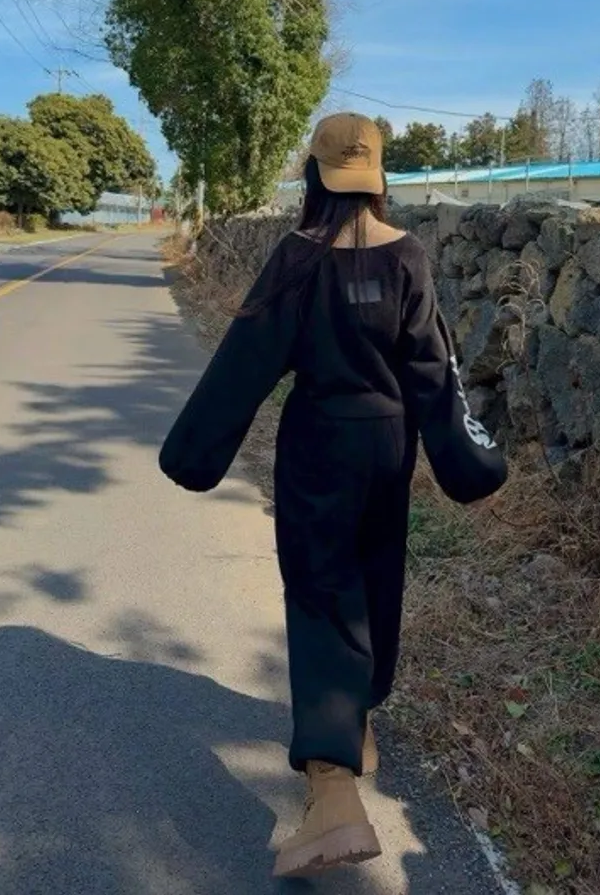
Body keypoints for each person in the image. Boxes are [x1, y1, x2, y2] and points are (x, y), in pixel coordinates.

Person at [159, 112, 506, 879]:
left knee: (322, 598)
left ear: (316, 175)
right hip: (388, 448)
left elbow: (245, 360)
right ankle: (358, 723)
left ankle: (332, 790)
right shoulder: (408, 255)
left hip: (318, 445)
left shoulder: (297, 256)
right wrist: (471, 462)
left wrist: (192, 452)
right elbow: (435, 373)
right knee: (375, 584)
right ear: (376, 177)